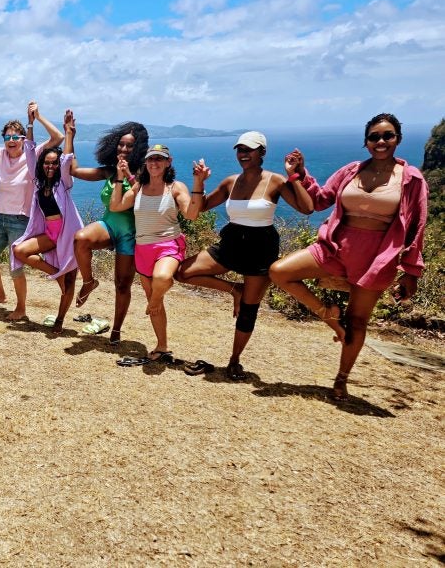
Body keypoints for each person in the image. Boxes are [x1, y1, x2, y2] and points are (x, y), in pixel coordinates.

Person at [270, 114, 427, 401]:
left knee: (357, 322)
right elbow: (320, 200)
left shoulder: (411, 179)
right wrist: (300, 174)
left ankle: (341, 379)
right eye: (374, 137)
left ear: (398, 139)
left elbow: (417, 225)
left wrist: (411, 271)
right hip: (334, 247)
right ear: (366, 142)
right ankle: (328, 315)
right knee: (280, 271)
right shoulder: (351, 171)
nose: (381, 142)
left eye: (387, 136)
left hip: (378, 257)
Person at [176, 131, 313, 380]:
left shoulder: (276, 181)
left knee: (249, 310)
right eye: (240, 150)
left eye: (249, 150)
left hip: (261, 248)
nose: (243, 154)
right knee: (183, 272)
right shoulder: (231, 182)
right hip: (231, 243)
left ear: (262, 152)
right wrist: (199, 182)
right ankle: (234, 290)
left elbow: (307, 208)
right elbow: (203, 205)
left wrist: (294, 175)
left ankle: (234, 360)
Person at [109, 144, 201, 362]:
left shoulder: (175, 187)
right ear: (146, 163)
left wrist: (198, 182)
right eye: (151, 159)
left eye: (160, 159)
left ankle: (152, 303)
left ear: (168, 162)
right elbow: (116, 206)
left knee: (162, 279)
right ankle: (161, 346)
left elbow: (191, 214)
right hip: (143, 249)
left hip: (169, 244)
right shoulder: (139, 187)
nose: (154, 163)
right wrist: (119, 178)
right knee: (157, 298)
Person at [0, 101, 64, 321]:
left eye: (16, 137)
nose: (12, 141)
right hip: (0, 218)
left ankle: (21, 308)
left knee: (15, 267)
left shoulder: (32, 155)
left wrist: (38, 118)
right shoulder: (0, 155)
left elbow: (58, 138)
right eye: (8, 137)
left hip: (21, 220)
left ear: (24, 139)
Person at [70, 122, 149, 343]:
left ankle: (116, 330)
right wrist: (70, 135)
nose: (123, 149)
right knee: (81, 239)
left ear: (139, 148)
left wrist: (125, 176)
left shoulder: (145, 172)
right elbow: (74, 169)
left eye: (129, 146)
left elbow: (140, 197)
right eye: (120, 145)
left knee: (122, 285)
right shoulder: (109, 170)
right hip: (109, 225)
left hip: (131, 236)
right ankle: (88, 282)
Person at [11, 109, 82, 333]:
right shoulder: (39, 183)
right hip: (50, 234)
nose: (50, 166)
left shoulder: (64, 183)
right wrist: (30, 124)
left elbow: (67, 159)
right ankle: (55, 274)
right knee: (20, 251)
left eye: (53, 163)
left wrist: (69, 134)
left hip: (68, 235)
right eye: (47, 163)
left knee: (70, 281)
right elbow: (30, 152)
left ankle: (60, 321)